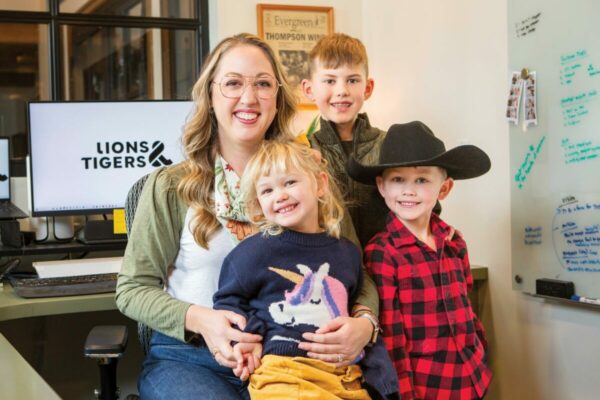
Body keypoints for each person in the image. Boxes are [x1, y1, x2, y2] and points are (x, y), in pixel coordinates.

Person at [115, 32, 379, 400]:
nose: (249, 97)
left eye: (263, 84)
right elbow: (131, 290)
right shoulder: (170, 185)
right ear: (210, 95)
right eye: (233, 84)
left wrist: (365, 324)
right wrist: (202, 320)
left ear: (278, 98)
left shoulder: (306, 175)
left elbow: (354, 268)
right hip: (192, 359)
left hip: (297, 363)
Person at [213, 141, 398, 400]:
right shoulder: (251, 253)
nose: (280, 195)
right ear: (258, 204)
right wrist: (248, 339)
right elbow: (228, 302)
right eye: (267, 190)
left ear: (320, 184)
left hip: (344, 374)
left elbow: (354, 306)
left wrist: (382, 377)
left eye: (290, 183)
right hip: (284, 371)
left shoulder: (347, 253)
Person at [347, 121, 493, 400]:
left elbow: (467, 311)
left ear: (444, 188)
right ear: (382, 186)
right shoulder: (382, 252)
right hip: (426, 387)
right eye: (398, 179)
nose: (408, 190)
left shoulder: (455, 243)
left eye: (422, 180)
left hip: (471, 379)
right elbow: (393, 340)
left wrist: (480, 355)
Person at [301, 33, 441, 247]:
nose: (342, 91)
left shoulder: (391, 144)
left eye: (352, 80)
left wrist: (440, 233)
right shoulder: (302, 151)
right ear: (309, 89)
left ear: (367, 88)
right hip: (331, 269)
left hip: (392, 267)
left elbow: (427, 205)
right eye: (330, 80)